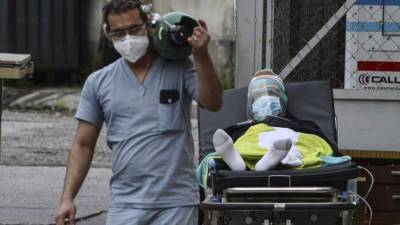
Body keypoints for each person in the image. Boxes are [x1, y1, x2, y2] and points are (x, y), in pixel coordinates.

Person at [55, 0, 222, 224]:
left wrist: (201, 55)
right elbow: (83, 146)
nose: (128, 39)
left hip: (176, 204)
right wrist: (67, 198)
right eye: (119, 33)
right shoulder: (98, 83)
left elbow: (213, 103)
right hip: (125, 204)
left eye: (134, 29)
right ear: (108, 35)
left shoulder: (180, 68)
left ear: (149, 26)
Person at [207, 69, 350, 173]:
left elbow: (317, 140)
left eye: (272, 94)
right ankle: (242, 161)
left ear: (283, 99)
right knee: (244, 142)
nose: (266, 99)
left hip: (286, 138)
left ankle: (248, 164)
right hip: (254, 135)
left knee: (296, 143)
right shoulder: (243, 128)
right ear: (251, 103)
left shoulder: (299, 125)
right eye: (258, 96)